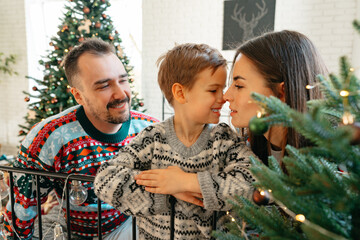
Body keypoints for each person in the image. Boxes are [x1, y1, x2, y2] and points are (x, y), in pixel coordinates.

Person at [94, 43, 256, 239]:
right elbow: (105, 180)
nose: (224, 98)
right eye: (214, 90)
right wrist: (167, 190)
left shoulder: (224, 139)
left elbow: (253, 183)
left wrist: (187, 182)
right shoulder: (152, 138)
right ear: (180, 93)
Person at [5, 38, 158, 240]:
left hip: (131, 223)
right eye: (104, 86)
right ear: (78, 95)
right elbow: (22, 207)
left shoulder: (150, 131)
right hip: (74, 230)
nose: (122, 94)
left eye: (123, 80)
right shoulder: (47, 138)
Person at [224, 30, 328, 165]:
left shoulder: (336, 160)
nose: (226, 96)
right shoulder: (244, 150)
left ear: (282, 92)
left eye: (239, 86)